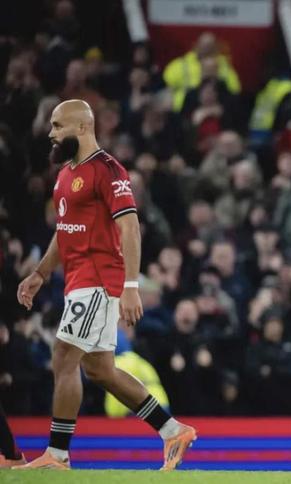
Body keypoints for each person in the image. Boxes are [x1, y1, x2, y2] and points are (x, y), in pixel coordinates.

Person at [14, 99, 196, 470]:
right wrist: (40, 273)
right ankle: (173, 430)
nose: (51, 133)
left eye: (58, 125)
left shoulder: (108, 170)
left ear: (83, 127)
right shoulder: (66, 173)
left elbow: (130, 228)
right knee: (100, 370)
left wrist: (130, 285)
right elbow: (64, 230)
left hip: (99, 278)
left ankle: (57, 455)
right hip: (78, 279)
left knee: (64, 355)